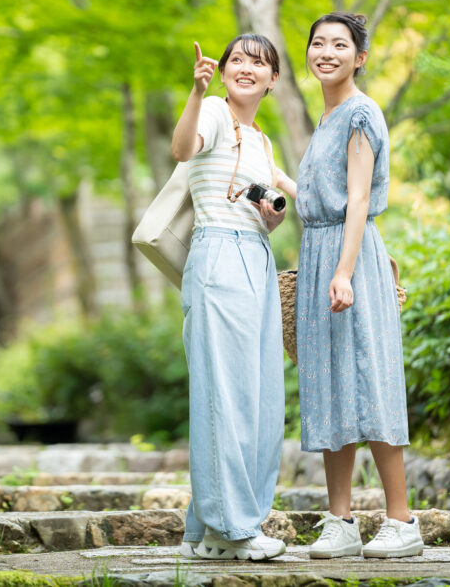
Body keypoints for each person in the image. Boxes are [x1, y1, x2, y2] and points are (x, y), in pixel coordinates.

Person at [295, 11, 424, 559]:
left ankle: (402, 521)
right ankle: (341, 520)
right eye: (318, 43)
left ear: (360, 57)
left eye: (339, 45)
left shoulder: (359, 114)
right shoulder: (324, 120)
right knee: (328, 387)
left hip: (350, 257)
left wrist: (344, 270)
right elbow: (321, 194)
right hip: (320, 251)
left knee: (371, 379)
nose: (327, 52)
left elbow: (360, 199)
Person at [170, 34, 298, 562]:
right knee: (225, 393)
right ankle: (235, 528)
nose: (247, 68)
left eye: (260, 62)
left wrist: (272, 217)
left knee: (259, 396)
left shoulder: (262, 142)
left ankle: (208, 533)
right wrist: (196, 92)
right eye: (237, 60)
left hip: (256, 258)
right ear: (222, 71)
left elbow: (300, 199)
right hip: (218, 256)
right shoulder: (216, 112)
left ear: (273, 79)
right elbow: (182, 151)